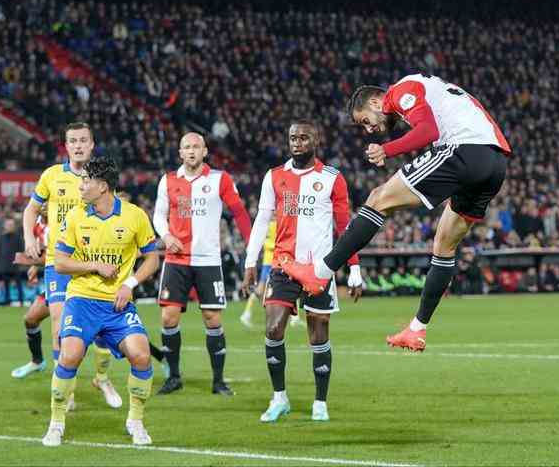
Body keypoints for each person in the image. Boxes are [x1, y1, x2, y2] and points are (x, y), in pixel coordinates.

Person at [289, 74, 510, 351]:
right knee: (443, 244)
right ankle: (417, 328)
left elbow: (428, 131)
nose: (369, 130)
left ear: (374, 101)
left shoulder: (400, 91)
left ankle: (320, 272)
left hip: (464, 149)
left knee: (378, 198)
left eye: (365, 121)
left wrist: (386, 150)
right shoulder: (433, 91)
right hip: (496, 163)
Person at [241, 120, 363, 423]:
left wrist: (354, 268)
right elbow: (261, 220)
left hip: (321, 268)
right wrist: (249, 261)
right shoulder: (274, 177)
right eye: (293, 138)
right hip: (283, 264)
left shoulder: (333, 178)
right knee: (272, 329)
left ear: (316, 141)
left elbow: (346, 229)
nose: (297, 143)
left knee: (318, 334)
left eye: (303, 138)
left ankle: (320, 402)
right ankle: (279, 397)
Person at [42, 156, 160, 447]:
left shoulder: (134, 216)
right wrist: (94, 265)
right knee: (69, 355)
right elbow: (60, 263)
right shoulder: (76, 217)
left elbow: (152, 258)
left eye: (86, 181)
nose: (80, 186)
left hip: (117, 305)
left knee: (141, 355)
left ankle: (135, 421)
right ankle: (56, 423)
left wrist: (130, 284)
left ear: (103, 186)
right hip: (82, 300)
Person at [21, 122, 120, 409]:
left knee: (102, 327)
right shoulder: (52, 176)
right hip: (59, 262)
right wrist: (29, 238)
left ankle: (101, 377)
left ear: (92, 144)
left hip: (96, 261)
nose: (78, 145)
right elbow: (31, 209)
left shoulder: (102, 178)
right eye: (73, 141)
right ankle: (67, 391)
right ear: (66, 146)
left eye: (83, 140)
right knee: (59, 323)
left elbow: (116, 213)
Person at [152, 132, 252, 396]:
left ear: (205, 151)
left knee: (212, 318)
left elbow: (239, 212)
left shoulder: (220, 179)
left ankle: (218, 381)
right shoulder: (168, 180)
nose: (192, 150)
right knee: (168, 316)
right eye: (187, 146)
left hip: (208, 259)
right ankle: (173, 376)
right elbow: (158, 216)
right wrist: (166, 236)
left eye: (196, 146)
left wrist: (251, 243)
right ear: (180, 153)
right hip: (176, 259)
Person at [11, 205, 50, 379]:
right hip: (53, 284)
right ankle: (37, 361)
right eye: (41, 202)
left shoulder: (65, 221)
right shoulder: (38, 225)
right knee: (30, 319)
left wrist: (30, 261)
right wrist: (35, 265)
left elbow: (61, 256)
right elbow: (45, 251)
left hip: (74, 283)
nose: (44, 206)